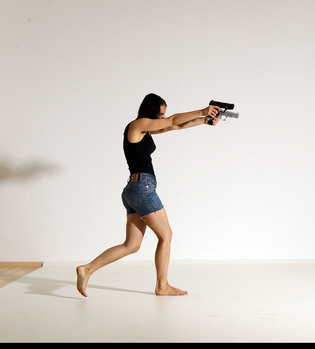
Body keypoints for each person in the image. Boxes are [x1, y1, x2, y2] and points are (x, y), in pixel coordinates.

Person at [76, 93, 220, 297]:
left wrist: (204, 120)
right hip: (142, 187)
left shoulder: (145, 130)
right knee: (166, 235)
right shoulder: (138, 124)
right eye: (160, 114)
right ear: (150, 111)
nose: (163, 118)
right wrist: (202, 111)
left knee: (131, 245)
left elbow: (175, 126)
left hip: (134, 189)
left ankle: (87, 269)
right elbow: (172, 121)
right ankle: (162, 285)